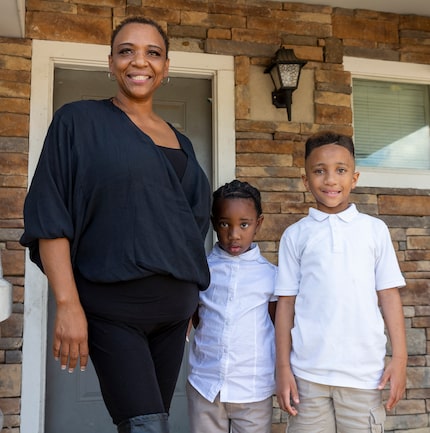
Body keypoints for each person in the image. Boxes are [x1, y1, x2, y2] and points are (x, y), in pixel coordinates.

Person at [20, 16, 211, 433]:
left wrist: (192, 300)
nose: (139, 62)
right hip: (113, 309)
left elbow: (190, 229)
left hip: (175, 314)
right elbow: (51, 215)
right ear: (110, 63)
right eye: (126, 51)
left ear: (166, 66)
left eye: (152, 53)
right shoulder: (78, 122)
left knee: (151, 422)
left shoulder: (183, 142)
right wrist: (68, 304)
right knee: (146, 427)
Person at [275, 131, 407, 432]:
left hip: (363, 378)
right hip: (308, 378)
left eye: (340, 170)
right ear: (306, 180)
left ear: (355, 178)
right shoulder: (296, 235)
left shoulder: (374, 230)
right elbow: (285, 305)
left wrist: (399, 359)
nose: (331, 180)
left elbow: (389, 296)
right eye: (319, 171)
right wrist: (282, 367)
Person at [187, 179, 277, 433]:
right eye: (225, 224)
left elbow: (275, 327)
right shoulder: (203, 270)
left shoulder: (271, 276)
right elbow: (197, 317)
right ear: (214, 224)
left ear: (258, 224)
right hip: (205, 386)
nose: (234, 234)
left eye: (244, 224)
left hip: (252, 389)